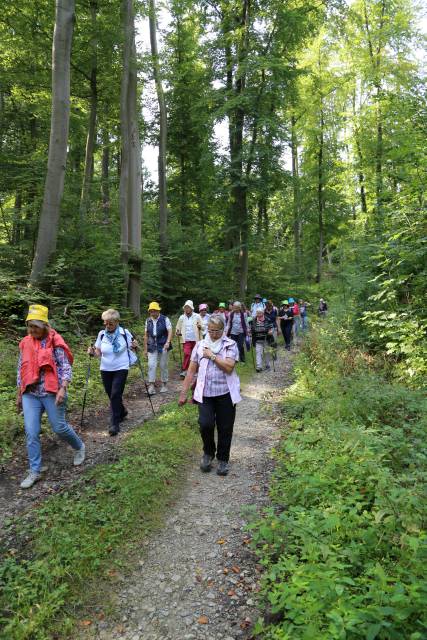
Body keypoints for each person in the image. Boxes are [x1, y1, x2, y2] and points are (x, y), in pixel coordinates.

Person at [16, 304, 85, 489]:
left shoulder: (55, 341)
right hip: (30, 394)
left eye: (35, 326)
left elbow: (65, 367)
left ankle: (79, 447)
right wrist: (19, 394)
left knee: (59, 427)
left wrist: (63, 388)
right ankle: (35, 470)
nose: (32, 330)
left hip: (52, 391)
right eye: (30, 326)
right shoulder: (25, 342)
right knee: (31, 432)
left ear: (45, 325)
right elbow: (20, 369)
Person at [178, 315, 241, 476]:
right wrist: (183, 393)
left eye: (217, 331)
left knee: (225, 427)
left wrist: (212, 356)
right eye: (210, 330)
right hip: (205, 394)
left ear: (223, 330)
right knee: (205, 424)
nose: (213, 334)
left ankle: (223, 459)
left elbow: (229, 367)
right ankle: (208, 453)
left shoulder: (230, 345)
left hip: (225, 393)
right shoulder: (200, 345)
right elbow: (191, 370)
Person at [89, 308, 138, 436]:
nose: (107, 325)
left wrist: (135, 345)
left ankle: (114, 423)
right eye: (105, 323)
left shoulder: (124, 333)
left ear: (117, 322)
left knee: (115, 394)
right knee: (111, 394)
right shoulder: (102, 334)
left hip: (121, 367)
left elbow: (133, 346)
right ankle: (122, 411)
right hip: (105, 368)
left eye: (110, 323)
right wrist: (92, 352)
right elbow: (98, 351)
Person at [143, 301, 172, 395]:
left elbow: (170, 331)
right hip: (152, 345)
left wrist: (168, 342)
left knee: (163, 365)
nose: (153, 313)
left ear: (158, 310)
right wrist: (145, 349)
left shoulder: (165, 319)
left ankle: (164, 384)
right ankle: (151, 385)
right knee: (151, 365)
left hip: (163, 344)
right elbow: (146, 335)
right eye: (151, 311)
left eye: (155, 311)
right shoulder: (148, 321)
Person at [175, 300, 203, 377]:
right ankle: (185, 370)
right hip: (186, 339)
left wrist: (200, 327)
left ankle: (196, 370)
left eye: (188, 307)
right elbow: (177, 328)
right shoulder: (181, 317)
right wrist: (177, 332)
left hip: (196, 339)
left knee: (196, 355)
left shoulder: (197, 316)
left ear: (192, 308)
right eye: (185, 308)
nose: (187, 309)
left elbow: (203, 326)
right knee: (187, 354)